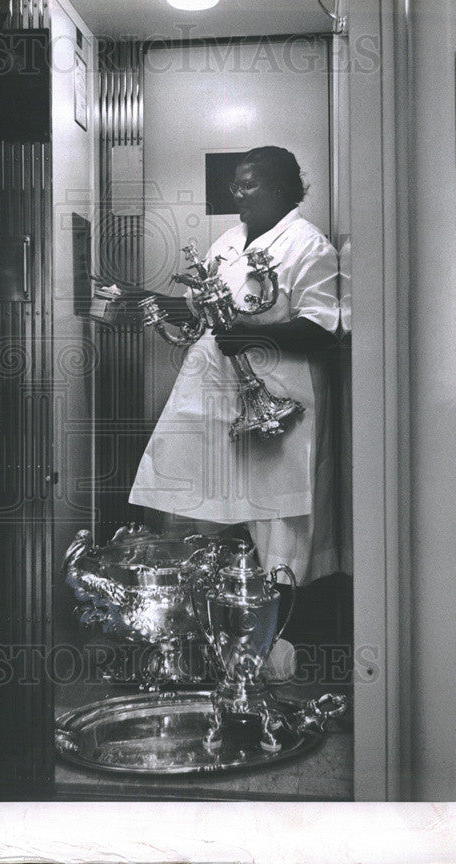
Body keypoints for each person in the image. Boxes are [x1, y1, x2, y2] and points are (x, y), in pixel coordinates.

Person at [128, 146, 340, 588]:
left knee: (275, 519)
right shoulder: (226, 241)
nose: (238, 194)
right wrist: (136, 300)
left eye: (249, 184)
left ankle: (277, 627)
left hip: (278, 402)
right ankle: (217, 624)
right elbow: (202, 307)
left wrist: (253, 335)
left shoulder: (308, 245)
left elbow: (322, 328)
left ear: (282, 189)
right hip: (215, 395)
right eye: (235, 185)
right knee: (205, 507)